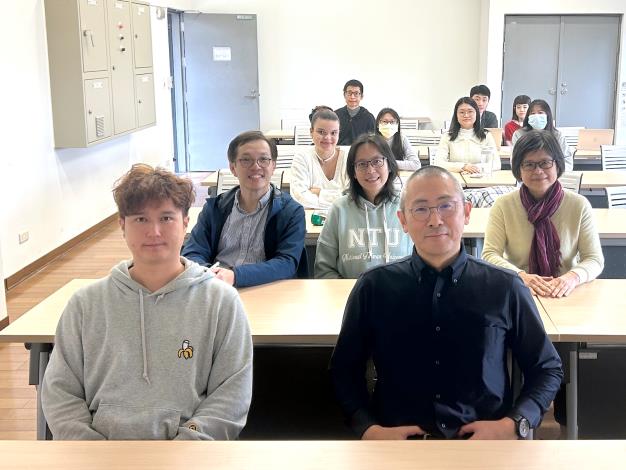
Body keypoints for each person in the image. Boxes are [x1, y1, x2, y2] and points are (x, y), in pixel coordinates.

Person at [330, 165, 563, 440]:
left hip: (483, 447)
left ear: (466, 212)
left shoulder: (505, 287)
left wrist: (515, 424)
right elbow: (344, 370)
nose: (435, 220)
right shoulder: (374, 287)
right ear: (403, 221)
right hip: (398, 448)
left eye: (445, 206)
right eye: (421, 209)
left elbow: (547, 368)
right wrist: (368, 429)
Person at [41, 164, 253, 440]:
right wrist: (89, 448)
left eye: (166, 218)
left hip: (189, 454)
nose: (154, 231)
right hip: (99, 457)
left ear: (185, 223)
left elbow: (232, 393)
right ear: (122, 226)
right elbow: (60, 391)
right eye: (141, 219)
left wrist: (186, 443)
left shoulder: (221, 302)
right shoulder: (85, 304)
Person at [482, 130, 604, 297]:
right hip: (519, 289)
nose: (538, 171)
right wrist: (520, 277)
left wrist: (572, 278)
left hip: (564, 291)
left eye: (545, 163)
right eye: (529, 164)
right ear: (519, 169)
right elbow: (489, 254)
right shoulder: (503, 205)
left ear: (558, 165)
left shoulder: (578, 205)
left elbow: (594, 258)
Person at [182, 131, 306, 287]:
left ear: (273, 166)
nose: (256, 166)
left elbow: (286, 263)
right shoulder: (214, 209)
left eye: (264, 160)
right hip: (216, 287)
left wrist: (236, 276)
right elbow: (192, 253)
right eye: (246, 160)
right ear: (233, 167)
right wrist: (210, 275)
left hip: (265, 289)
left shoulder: (291, 212)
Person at [314, 134, 413, 279]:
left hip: (400, 297)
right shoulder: (339, 209)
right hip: (350, 297)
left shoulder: (407, 206)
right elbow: (324, 269)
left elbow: (423, 261)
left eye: (377, 161)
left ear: (390, 165)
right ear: (353, 172)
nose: (370, 170)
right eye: (362, 164)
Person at [291, 109, 349, 209]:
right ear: (311, 132)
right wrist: (339, 199)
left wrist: (319, 193)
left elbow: (353, 198)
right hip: (311, 220)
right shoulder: (302, 158)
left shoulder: (348, 157)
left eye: (333, 133)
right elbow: (299, 198)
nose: (327, 137)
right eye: (321, 132)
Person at [435, 97, 500, 174]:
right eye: (462, 112)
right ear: (456, 115)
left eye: (470, 111)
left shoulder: (486, 135)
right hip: (455, 180)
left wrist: (474, 169)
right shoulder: (447, 136)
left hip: (479, 179)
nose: (466, 115)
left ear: (477, 113)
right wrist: (463, 167)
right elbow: (438, 163)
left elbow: (496, 164)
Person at [511, 99, 573, 171]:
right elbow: (515, 161)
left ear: (547, 115)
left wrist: (555, 174)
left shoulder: (557, 136)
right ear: (528, 117)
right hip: (528, 175)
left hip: (553, 175)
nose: (536, 116)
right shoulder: (519, 134)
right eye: (533, 113)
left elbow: (567, 161)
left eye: (540, 113)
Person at [335, 79, 376, 145]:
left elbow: (373, 141)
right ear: (344, 95)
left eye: (356, 93)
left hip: (361, 153)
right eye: (349, 93)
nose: (352, 97)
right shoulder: (336, 115)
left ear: (361, 96)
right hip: (339, 152)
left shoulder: (369, 117)